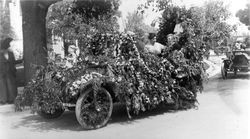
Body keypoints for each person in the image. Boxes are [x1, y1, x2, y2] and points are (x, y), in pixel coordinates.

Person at [0, 37, 22, 104]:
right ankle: (3, 100)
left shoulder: (10, 53)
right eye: (8, 44)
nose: (9, 45)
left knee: (11, 86)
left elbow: (13, 62)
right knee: (2, 86)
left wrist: (21, 60)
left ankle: (11, 99)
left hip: (10, 72)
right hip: (1, 72)